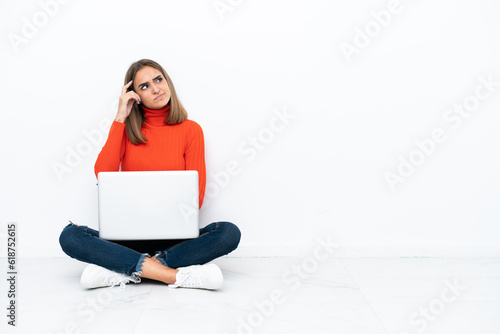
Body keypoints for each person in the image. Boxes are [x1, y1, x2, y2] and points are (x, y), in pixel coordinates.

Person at [59, 59, 241, 290]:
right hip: (127, 238)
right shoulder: (125, 130)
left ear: (167, 82)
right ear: (135, 96)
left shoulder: (190, 130)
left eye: (158, 79)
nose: (155, 89)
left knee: (227, 233)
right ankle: (172, 275)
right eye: (144, 86)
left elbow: (197, 198)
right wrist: (120, 118)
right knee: (70, 236)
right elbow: (103, 173)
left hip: (176, 240)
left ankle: (125, 269)